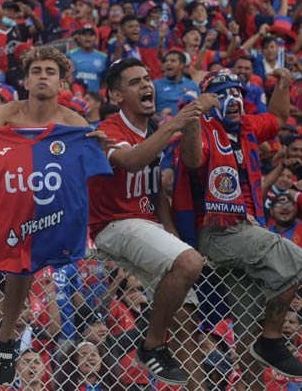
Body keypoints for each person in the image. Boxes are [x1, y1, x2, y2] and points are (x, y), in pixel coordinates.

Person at [0, 46, 112, 386]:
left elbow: (97, 159)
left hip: (47, 219)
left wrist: (100, 146)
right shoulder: (7, 112)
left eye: (50, 72)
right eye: (36, 71)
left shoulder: (74, 123)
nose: (42, 77)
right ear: (25, 79)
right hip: (4, 218)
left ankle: (7, 339)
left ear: (62, 81)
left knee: (28, 270)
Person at [173, 68, 302, 384]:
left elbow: (277, 116)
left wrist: (282, 85)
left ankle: (258, 357)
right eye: (222, 94)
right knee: (296, 260)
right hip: (217, 232)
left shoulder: (246, 128)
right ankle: (272, 339)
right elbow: (191, 160)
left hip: (248, 232)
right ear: (207, 101)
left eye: (237, 93)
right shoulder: (203, 129)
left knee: (248, 326)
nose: (233, 99)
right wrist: (192, 118)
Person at [87, 57, 205, 385]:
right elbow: (134, 162)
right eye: (135, 81)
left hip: (146, 224)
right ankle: (151, 345)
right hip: (114, 224)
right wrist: (176, 123)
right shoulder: (110, 129)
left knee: (185, 318)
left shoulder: (152, 129)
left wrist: (172, 235)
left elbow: (156, 193)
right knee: (190, 262)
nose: (147, 85)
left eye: (147, 78)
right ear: (115, 96)